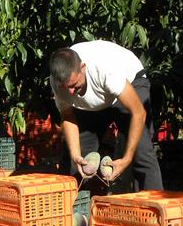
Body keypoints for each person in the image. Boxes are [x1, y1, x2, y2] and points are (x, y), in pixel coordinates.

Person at [49, 41, 163, 191]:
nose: (70, 92)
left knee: (141, 152)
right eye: (66, 87)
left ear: (83, 68)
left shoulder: (105, 70)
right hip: (95, 101)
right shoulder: (58, 84)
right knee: (75, 161)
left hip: (130, 83)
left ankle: (153, 207)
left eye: (74, 85)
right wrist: (76, 155)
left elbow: (138, 112)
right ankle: (75, 209)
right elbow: (68, 116)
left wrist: (126, 159)